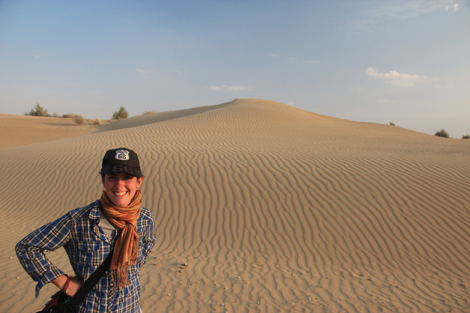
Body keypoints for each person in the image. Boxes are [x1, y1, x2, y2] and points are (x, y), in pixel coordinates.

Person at [16, 148, 157, 313]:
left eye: (127, 178)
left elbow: (148, 243)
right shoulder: (79, 220)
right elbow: (27, 247)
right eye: (112, 177)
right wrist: (64, 283)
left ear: (138, 182)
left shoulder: (145, 219)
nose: (119, 185)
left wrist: (128, 264)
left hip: (129, 307)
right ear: (103, 180)